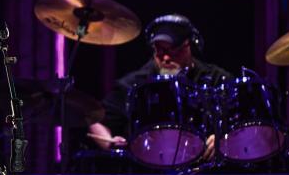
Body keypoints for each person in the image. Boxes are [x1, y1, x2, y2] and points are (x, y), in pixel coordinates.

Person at [88, 14, 229, 156]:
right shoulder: (134, 83)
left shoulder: (216, 79)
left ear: (189, 45)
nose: (166, 58)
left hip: (204, 169)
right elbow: (96, 119)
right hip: (146, 171)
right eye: (160, 50)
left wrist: (223, 136)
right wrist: (109, 142)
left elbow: (241, 122)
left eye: (173, 49)